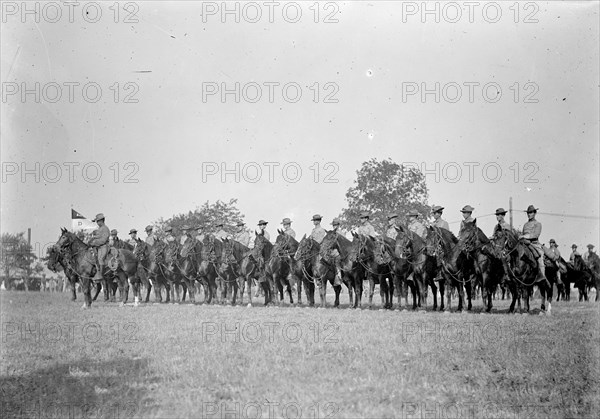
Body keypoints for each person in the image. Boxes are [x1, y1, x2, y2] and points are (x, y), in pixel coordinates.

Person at [519, 205, 547, 282]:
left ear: (535, 213)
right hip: (525, 244)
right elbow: (522, 234)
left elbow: (536, 235)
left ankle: (542, 276)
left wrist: (524, 236)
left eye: (531, 212)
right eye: (528, 213)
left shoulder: (538, 224)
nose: (529, 214)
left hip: (534, 244)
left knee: (540, 257)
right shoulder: (525, 224)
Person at [87, 213, 110, 281]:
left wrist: (94, 243)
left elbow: (104, 240)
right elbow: (97, 236)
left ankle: (100, 275)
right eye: (97, 221)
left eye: (98, 221)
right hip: (98, 247)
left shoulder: (105, 228)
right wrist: (92, 239)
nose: (97, 223)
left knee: (100, 259)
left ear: (102, 221)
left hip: (103, 246)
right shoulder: (100, 229)